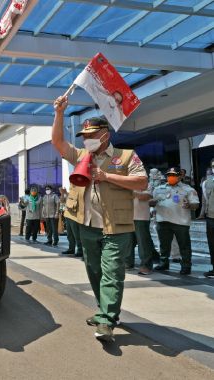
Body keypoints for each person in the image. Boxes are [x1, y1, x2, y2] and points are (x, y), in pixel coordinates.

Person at [51, 95, 148, 342]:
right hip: (87, 225)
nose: (87, 140)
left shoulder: (126, 157)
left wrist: (106, 176)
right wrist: (59, 113)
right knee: (94, 270)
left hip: (117, 226)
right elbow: (59, 142)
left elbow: (141, 181)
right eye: (84, 136)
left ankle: (106, 320)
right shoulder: (82, 156)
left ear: (105, 134)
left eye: (91, 135)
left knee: (112, 272)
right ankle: (105, 310)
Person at [151, 167, 199, 275]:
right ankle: (164, 263)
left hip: (180, 222)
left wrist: (189, 205)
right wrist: (151, 204)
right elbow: (152, 202)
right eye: (169, 175)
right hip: (162, 220)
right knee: (164, 245)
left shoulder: (188, 189)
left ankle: (186, 266)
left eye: (173, 175)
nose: (171, 177)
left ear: (180, 176)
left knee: (184, 246)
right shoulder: (158, 189)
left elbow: (196, 204)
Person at [128, 180, 155, 275]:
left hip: (141, 217)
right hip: (126, 217)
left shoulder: (146, 183)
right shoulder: (124, 182)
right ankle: (128, 263)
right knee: (127, 242)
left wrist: (129, 191)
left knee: (143, 242)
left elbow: (146, 196)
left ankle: (146, 265)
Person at [198, 159, 214, 278]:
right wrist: (204, 214)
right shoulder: (206, 183)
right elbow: (205, 199)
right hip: (211, 217)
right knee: (212, 244)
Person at [61, 183, 84, 258]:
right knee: (69, 234)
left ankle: (80, 250)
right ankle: (71, 248)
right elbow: (62, 201)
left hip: (74, 216)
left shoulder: (79, 191)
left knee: (76, 234)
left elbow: (76, 203)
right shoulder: (69, 193)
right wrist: (63, 193)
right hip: (67, 215)